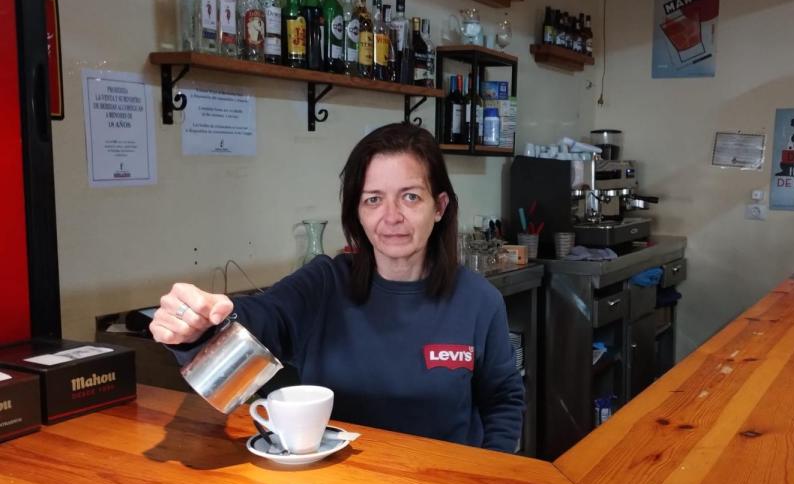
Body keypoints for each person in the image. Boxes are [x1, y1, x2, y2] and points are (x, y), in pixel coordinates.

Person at [151, 123, 524, 452]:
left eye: (410, 196)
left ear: (439, 206)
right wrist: (199, 323)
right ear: (356, 213)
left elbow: (503, 401)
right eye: (373, 199)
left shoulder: (478, 301)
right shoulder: (325, 284)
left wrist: (488, 478)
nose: (391, 217)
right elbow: (262, 318)